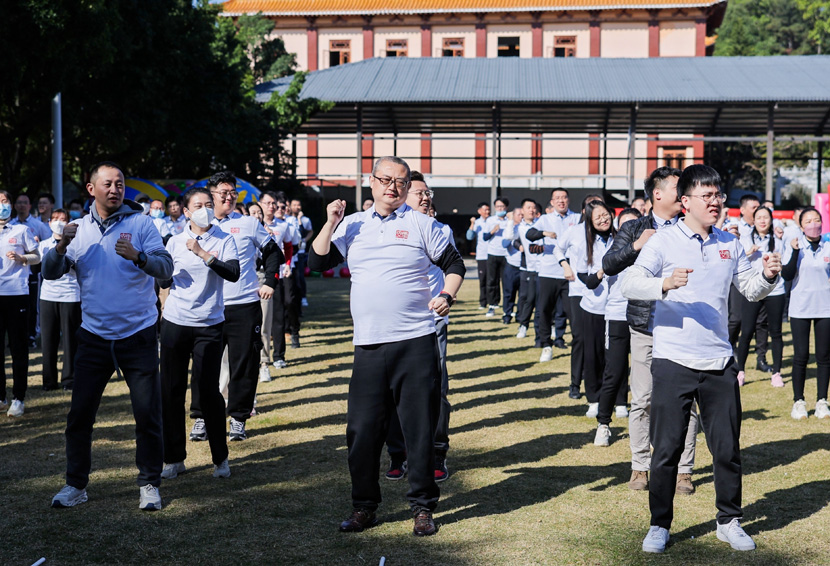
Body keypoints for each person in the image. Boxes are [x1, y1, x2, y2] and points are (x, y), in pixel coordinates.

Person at [622, 164, 781, 554]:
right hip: (673, 359)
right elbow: (629, 283)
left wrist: (768, 276)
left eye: (718, 195)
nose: (715, 202)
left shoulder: (729, 242)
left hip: (719, 361)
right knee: (666, 451)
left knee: (726, 448)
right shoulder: (663, 241)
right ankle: (659, 523)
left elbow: (749, 288)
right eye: (707, 196)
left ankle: (729, 520)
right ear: (686, 201)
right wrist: (665, 282)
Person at [309, 156, 465, 537]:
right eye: (385, 179)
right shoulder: (352, 225)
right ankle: (364, 507)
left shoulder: (421, 223)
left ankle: (423, 508)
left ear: (407, 185)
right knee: (361, 431)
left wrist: (447, 294)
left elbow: (455, 264)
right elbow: (316, 261)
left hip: (415, 341)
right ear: (372, 181)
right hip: (369, 345)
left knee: (418, 430)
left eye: (400, 181)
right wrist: (330, 221)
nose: (392, 187)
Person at [46, 161, 174, 511]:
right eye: (108, 183)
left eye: (120, 183)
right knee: (80, 416)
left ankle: (149, 483)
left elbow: (166, 269)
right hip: (94, 337)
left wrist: (140, 257)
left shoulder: (141, 223)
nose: (115, 188)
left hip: (139, 334)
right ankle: (76, 484)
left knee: (147, 415)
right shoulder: (77, 230)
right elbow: (50, 273)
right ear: (92, 189)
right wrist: (59, 247)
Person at [602, 166, 699, 494]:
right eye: (678, 187)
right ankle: (639, 466)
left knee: (687, 400)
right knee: (642, 398)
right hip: (644, 326)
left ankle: (684, 470)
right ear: (657, 194)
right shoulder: (635, 228)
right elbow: (608, 264)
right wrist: (636, 246)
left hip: (684, 324)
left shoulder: (693, 228)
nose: (684, 192)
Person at [189, 172, 283, 443]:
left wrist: (270, 282)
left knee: (244, 364)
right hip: (208, 307)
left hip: (244, 305)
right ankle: (201, 418)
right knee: (204, 365)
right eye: (223, 192)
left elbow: (273, 252)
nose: (229, 197)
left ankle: (238, 419)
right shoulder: (197, 224)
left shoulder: (248, 224)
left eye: (233, 193)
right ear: (210, 195)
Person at [159, 187, 240, 481]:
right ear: (186, 211)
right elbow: (165, 276)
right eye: (198, 205)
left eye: (209, 203)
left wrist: (203, 253)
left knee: (207, 393)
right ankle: (173, 459)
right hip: (175, 322)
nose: (205, 208)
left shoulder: (224, 238)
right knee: (170, 391)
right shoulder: (174, 241)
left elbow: (232, 272)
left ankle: (220, 458)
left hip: (209, 324)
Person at [385, 172, 454, 483]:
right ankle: (398, 454)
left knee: (435, 391)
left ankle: (437, 454)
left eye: (429, 193)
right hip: (393, 323)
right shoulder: (387, 227)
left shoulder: (442, 229)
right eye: (419, 193)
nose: (426, 198)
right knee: (390, 392)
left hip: (432, 322)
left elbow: (451, 268)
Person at [594, 208, 642, 446]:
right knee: (614, 371)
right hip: (617, 315)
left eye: (634, 224)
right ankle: (603, 423)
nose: (630, 230)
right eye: (625, 226)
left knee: (648, 373)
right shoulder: (611, 248)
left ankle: (647, 424)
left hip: (645, 314)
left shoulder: (651, 246)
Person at [549, 194, 603, 397]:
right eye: (591, 206)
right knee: (580, 337)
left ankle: (601, 383)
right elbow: (557, 249)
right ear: (583, 211)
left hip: (603, 294)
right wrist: (565, 266)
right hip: (579, 291)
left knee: (600, 340)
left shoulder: (608, 233)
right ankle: (575, 383)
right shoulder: (574, 231)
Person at [781, 207, 830, 420]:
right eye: (808, 221)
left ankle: (822, 401)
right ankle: (798, 401)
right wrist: (793, 251)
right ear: (801, 226)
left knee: (824, 356)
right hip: (801, 307)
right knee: (801, 356)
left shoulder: (828, 244)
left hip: (825, 307)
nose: (813, 224)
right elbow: (787, 274)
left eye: (817, 220)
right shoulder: (795, 244)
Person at [570, 200, 618, 418]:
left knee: (615, 356)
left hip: (618, 305)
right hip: (594, 306)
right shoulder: (584, 242)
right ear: (589, 221)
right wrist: (598, 274)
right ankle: (593, 398)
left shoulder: (620, 239)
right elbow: (582, 275)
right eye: (597, 216)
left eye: (605, 214)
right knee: (594, 355)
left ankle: (619, 399)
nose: (603, 219)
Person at [526, 188, 580, 361]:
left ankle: (566, 340)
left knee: (571, 311)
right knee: (544, 310)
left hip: (571, 272)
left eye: (564, 197)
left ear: (568, 200)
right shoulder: (545, 219)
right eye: (557, 198)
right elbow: (530, 234)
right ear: (552, 201)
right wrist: (544, 233)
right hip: (548, 271)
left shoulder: (576, 218)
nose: (561, 201)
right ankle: (546, 344)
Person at [735, 206, 786, 387]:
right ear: (753, 220)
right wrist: (749, 253)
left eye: (766, 217)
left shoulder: (779, 239)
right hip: (753, 289)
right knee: (747, 330)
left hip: (775, 291)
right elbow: (737, 264)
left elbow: (786, 265)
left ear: (772, 221)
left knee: (776, 332)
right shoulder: (744, 238)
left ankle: (777, 372)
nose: (763, 221)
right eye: (759, 217)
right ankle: (740, 371)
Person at [0, 190, 41, 417]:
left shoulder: (21, 230)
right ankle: (1, 396)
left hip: (16, 294)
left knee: (18, 347)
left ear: (11, 205)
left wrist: (22, 258)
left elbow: (37, 256)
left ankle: (18, 397)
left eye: (4, 201)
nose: (2, 206)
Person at [38, 209, 81, 392]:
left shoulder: (76, 244)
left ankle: (69, 380)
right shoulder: (43, 245)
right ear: (49, 223)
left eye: (63, 219)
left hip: (71, 295)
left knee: (70, 340)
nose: (58, 222)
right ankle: (49, 381)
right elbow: (44, 269)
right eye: (55, 219)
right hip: (48, 296)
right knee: (48, 339)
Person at [11, 192, 51, 347]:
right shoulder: (10, 225)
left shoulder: (38, 225)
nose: (21, 205)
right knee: (16, 304)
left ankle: (32, 334)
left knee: (33, 304)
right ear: (15, 206)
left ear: (29, 206)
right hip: (14, 272)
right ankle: (17, 334)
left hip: (33, 270)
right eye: (18, 202)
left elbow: (47, 244)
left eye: (24, 202)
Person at [514, 199, 542, 341]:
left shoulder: (541, 224)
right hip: (528, 268)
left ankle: (544, 328)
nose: (531, 210)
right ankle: (523, 325)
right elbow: (513, 240)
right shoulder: (519, 227)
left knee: (541, 300)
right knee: (528, 298)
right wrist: (519, 246)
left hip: (543, 268)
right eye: (528, 207)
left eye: (533, 207)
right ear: (523, 211)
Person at [483, 197, 510, 317]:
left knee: (506, 282)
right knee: (492, 281)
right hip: (493, 253)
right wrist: (493, 230)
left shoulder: (510, 220)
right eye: (498, 207)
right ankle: (492, 305)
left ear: (506, 208)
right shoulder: (490, 220)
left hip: (507, 255)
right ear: (495, 208)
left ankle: (507, 307)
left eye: (502, 207)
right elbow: (485, 237)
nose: (500, 209)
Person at [288, 198, 313, 307]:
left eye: (298, 205)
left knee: (300, 276)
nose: (296, 207)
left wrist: (305, 240)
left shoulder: (305, 220)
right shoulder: (287, 219)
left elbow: (309, 232)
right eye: (294, 205)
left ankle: (303, 297)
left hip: (301, 252)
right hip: (291, 252)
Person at [499, 208, 523, 324]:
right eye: (519, 214)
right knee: (509, 293)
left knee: (523, 295)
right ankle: (507, 315)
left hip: (524, 267)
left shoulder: (527, 227)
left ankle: (520, 316)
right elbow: (505, 243)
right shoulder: (509, 229)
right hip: (511, 265)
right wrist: (510, 223)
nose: (521, 216)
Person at [465, 202, 490, 309]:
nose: (487, 212)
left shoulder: (492, 221)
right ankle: (483, 302)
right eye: (485, 210)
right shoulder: (477, 223)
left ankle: (493, 302)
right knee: (483, 280)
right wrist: (472, 223)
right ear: (479, 211)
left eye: (488, 210)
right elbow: (469, 237)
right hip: (481, 255)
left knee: (492, 280)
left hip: (492, 255)